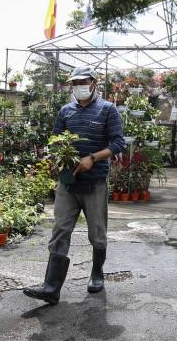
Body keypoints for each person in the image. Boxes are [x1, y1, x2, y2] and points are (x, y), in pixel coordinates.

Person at [23, 66, 125, 305]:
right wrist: (54, 159)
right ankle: (51, 287)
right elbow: (55, 140)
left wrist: (93, 158)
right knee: (60, 229)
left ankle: (97, 273)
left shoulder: (108, 110)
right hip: (68, 182)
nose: (78, 86)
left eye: (82, 81)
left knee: (97, 233)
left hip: (95, 181)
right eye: (74, 82)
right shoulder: (65, 111)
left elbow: (118, 142)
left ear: (93, 83)